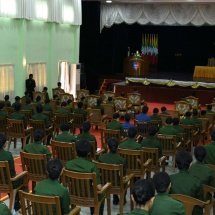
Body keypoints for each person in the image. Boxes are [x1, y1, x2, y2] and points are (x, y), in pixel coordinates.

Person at [66, 140, 104, 215]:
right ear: (89, 153)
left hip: (73, 194)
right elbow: (99, 187)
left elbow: (67, 182)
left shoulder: (68, 164)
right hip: (90, 197)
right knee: (101, 194)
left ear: (76, 152)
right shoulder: (92, 166)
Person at [0, 133, 25, 212]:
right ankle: (18, 205)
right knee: (23, 178)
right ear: (4, 144)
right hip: (7, 183)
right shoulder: (8, 155)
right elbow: (12, 173)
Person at [98, 137, 127, 205]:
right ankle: (123, 199)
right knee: (125, 181)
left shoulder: (101, 157)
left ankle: (115, 197)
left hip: (104, 183)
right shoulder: (121, 160)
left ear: (107, 146)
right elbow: (123, 175)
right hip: (117, 184)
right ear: (118, 147)